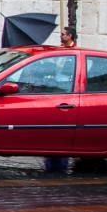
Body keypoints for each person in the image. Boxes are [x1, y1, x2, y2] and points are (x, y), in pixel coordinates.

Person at [45, 26, 78, 172]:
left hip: (66, 86)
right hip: (57, 85)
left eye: (63, 34)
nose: (61, 36)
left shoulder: (74, 52)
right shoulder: (60, 50)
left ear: (70, 36)